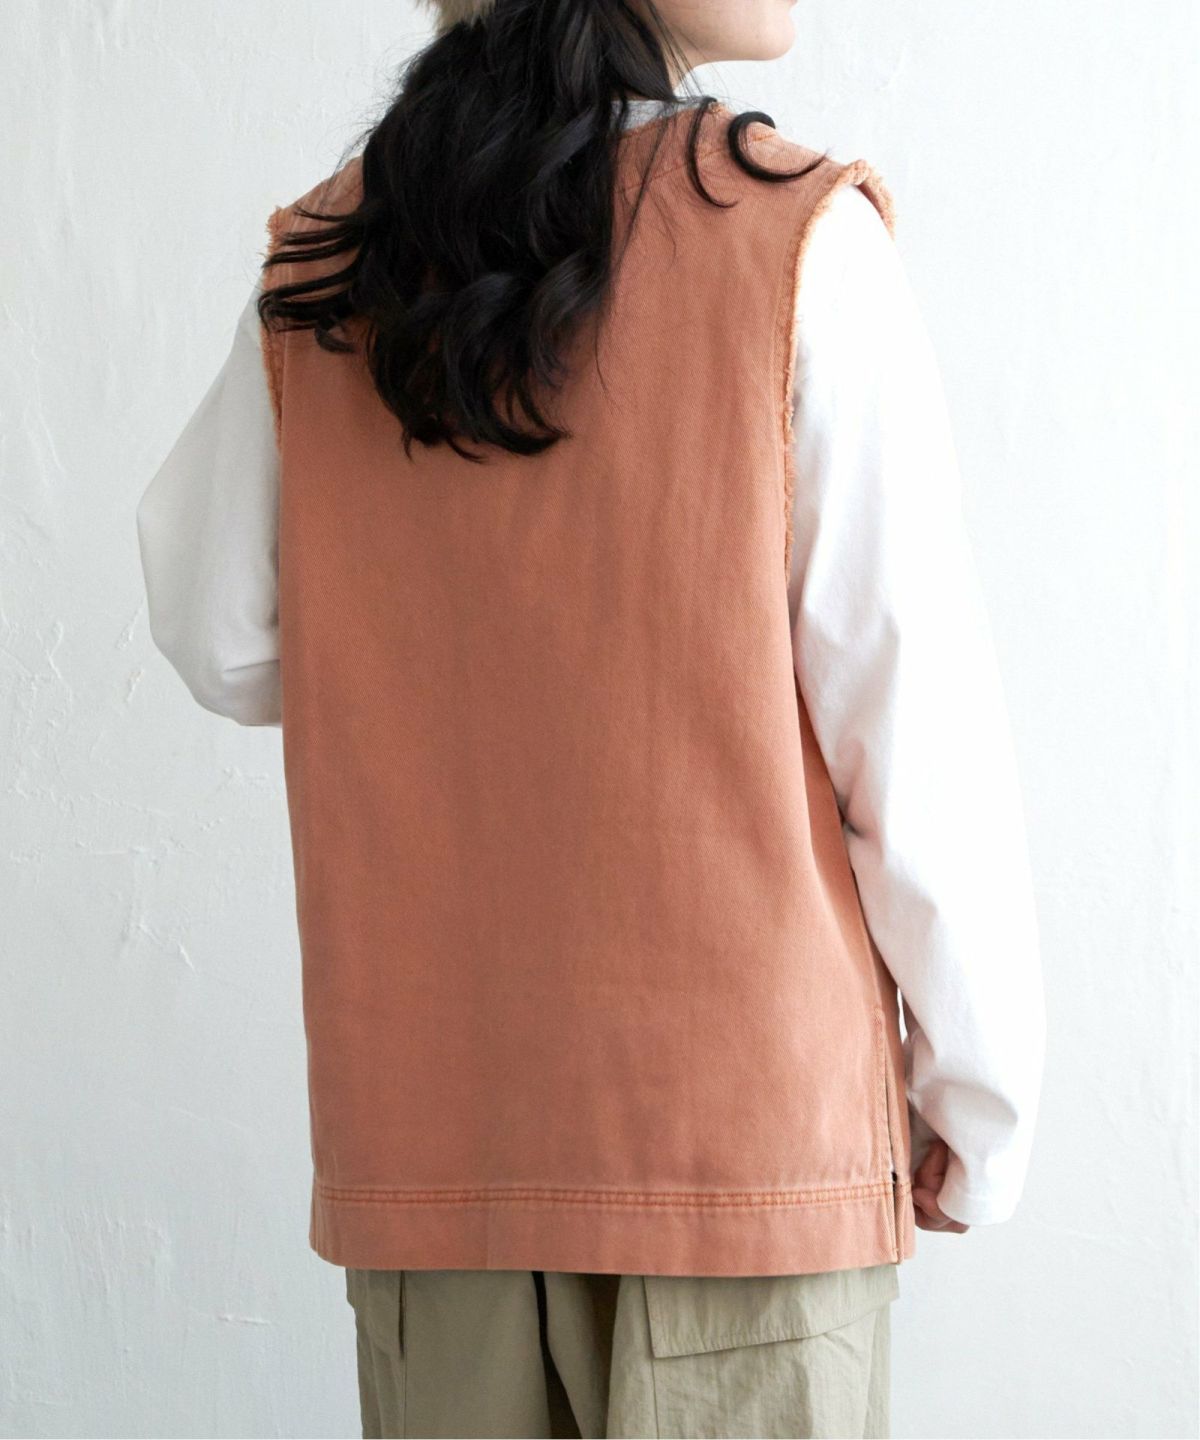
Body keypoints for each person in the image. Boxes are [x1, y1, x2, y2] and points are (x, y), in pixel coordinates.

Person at [135, 1, 1046, 1435]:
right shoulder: (794, 242)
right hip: (744, 1175)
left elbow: (220, 634)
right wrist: (981, 1106)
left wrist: (426, 645)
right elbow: (914, 736)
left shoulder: (333, 260)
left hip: (436, 1164)